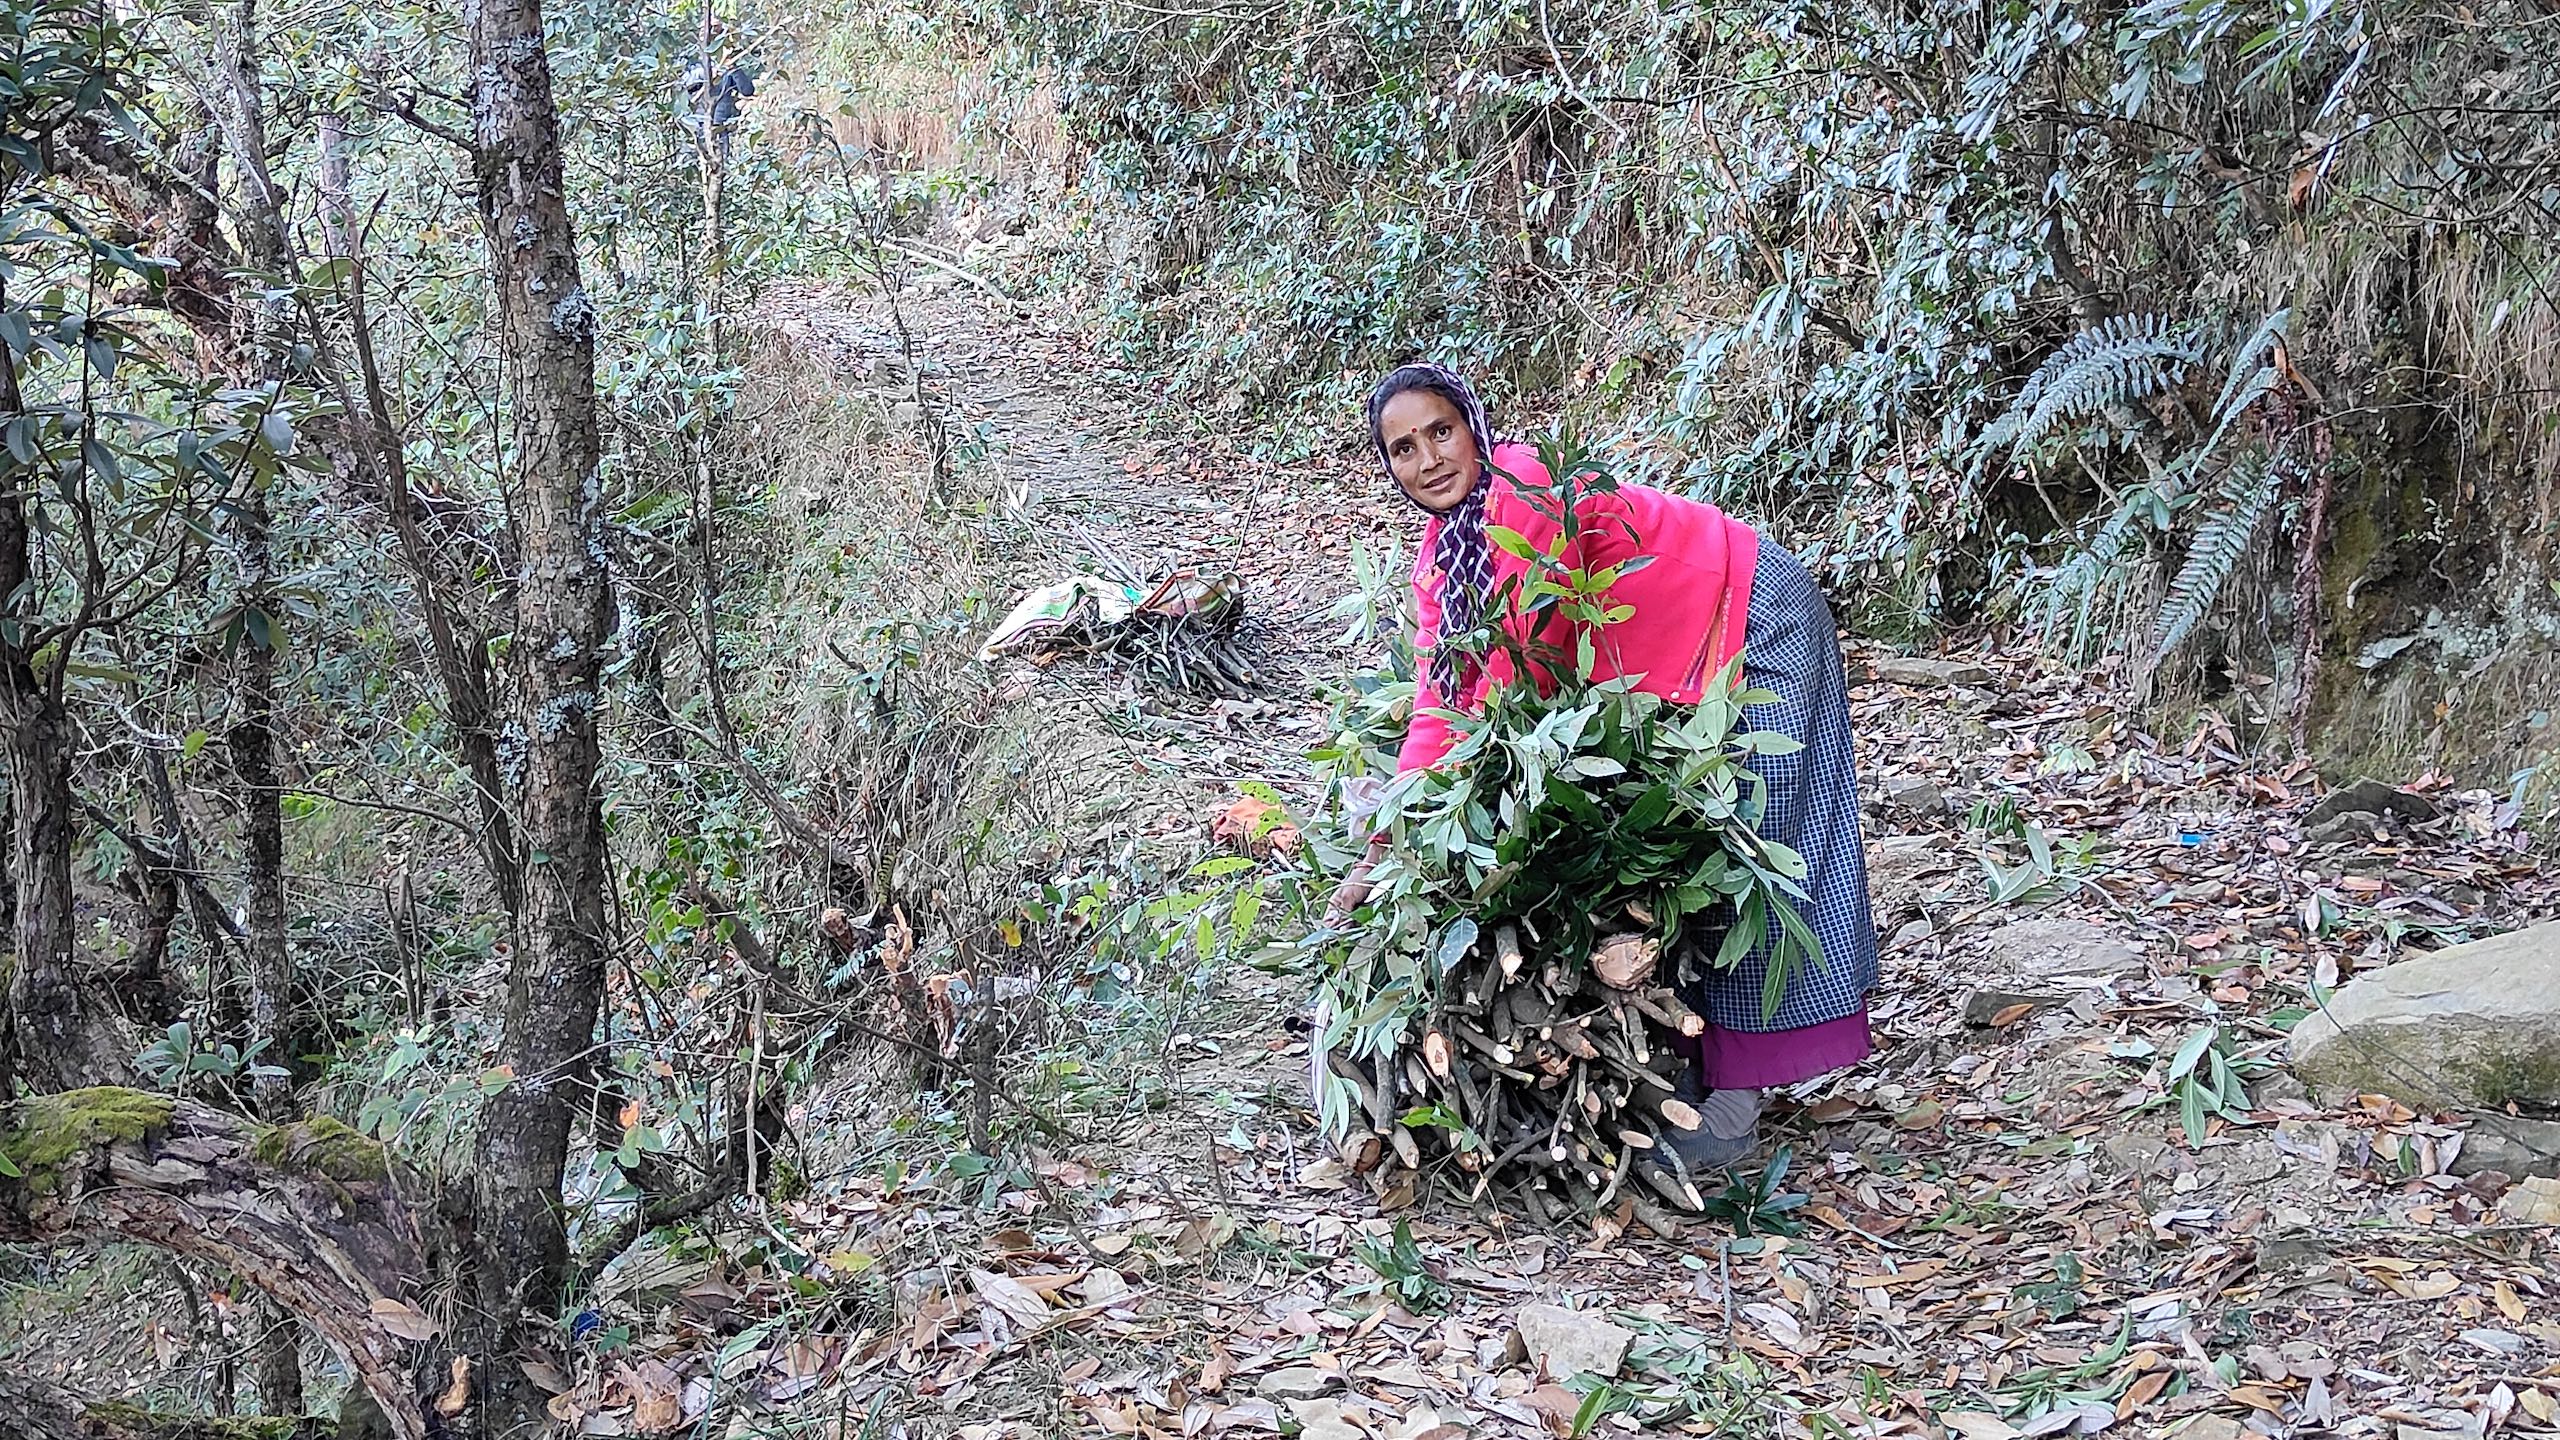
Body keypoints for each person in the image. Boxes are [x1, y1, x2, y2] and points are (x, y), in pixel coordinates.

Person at [1330, 362, 1879, 1172]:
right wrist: (1386, 846)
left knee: (1752, 842)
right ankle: (1711, 1062)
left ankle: (1738, 1101)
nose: (1430, 459)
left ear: (1474, 427)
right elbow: (1440, 704)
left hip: (1751, 615)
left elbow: (1524, 680)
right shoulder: (1444, 556)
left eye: (1441, 432)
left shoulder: (1522, 497)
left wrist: (1441, 824)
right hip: (1687, 656)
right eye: (1404, 449)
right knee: (1697, 839)